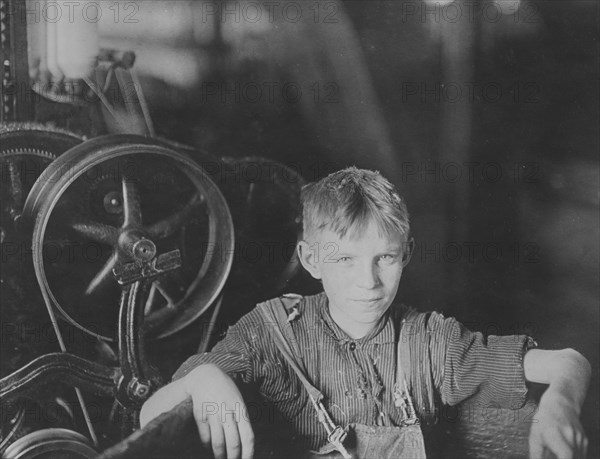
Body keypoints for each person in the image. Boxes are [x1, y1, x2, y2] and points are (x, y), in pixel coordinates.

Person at [140, 167, 591, 459]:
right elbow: (150, 420)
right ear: (311, 260)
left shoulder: (430, 343)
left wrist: (561, 403)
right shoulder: (269, 335)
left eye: (385, 258)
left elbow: (568, 361)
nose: (369, 281)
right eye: (344, 260)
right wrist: (202, 378)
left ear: (407, 253)